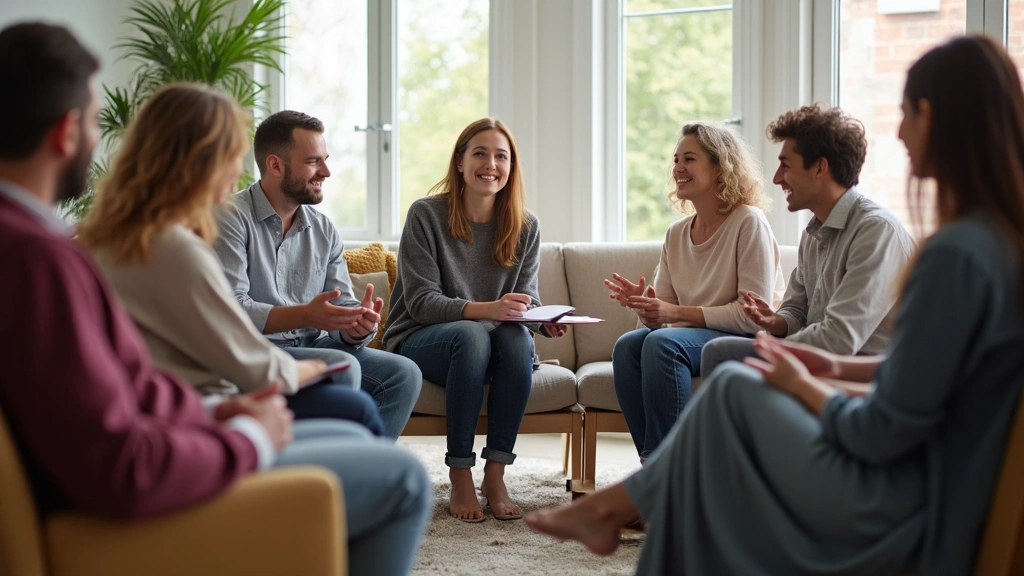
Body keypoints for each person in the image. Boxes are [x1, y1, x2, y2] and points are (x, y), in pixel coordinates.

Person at [526, 34, 1024, 576]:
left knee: (734, 390)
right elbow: (926, 376)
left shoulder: (945, 252)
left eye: (905, 114)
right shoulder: (993, 243)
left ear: (931, 116)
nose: (900, 133)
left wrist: (803, 382)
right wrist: (803, 347)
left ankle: (646, 497)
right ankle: (649, 496)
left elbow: (880, 429)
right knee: (724, 385)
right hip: (930, 475)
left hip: (903, 497)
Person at [0, 23, 430, 576]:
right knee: (402, 476)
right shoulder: (44, 259)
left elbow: (123, 386)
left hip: (171, 435)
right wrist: (247, 435)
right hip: (130, 495)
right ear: (65, 132)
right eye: (90, 121)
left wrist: (213, 413)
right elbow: (122, 465)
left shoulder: (52, 246)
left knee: (354, 410)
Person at [77, 83, 384, 436]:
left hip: (190, 404)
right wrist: (308, 370)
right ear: (203, 164)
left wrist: (354, 328)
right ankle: (318, 486)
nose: (237, 170)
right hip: (198, 418)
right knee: (363, 419)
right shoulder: (176, 247)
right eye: (232, 156)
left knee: (382, 382)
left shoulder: (104, 237)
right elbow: (241, 354)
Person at [382, 117, 566, 522]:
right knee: (471, 336)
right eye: (480, 153)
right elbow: (421, 303)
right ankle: (460, 471)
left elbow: (525, 298)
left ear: (511, 167)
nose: (491, 164)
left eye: (502, 156)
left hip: (485, 338)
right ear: (460, 162)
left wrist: (539, 319)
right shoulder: (426, 215)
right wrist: (488, 309)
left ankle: (496, 474)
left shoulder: (525, 225)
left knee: (518, 340)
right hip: (420, 338)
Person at [213, 111, 422, 439]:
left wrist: (356, 327)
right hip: (254, 348)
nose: (326, 171)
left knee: (404, 373)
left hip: (313, 343)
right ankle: (328, 471)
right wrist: (307, 315)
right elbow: (231, 310)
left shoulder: (323, 229)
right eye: (313, 162)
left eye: (325, 160)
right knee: (343, 366)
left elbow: (342, 313)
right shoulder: (230, 218)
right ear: (275, 165)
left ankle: (363, 473)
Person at [606, 122, 784, 460]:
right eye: (676, 160)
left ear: (720, 167)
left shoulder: (749, 222)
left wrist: (672, 315)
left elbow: (752, 317)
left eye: (689, 159)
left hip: (745, 340)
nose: (677, 168)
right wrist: (648, 308)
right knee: (628, 346)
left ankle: (671, 472)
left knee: (662, 344)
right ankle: (654, 469)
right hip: (691, 340)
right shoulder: (676, 234)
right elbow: (666, 315)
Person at [700, 104, 915, 377]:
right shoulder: (813, 233)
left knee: (720, 352)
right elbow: (795, 310)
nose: (777, 178)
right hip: (820, 363)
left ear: (819, 168)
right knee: (721, 351)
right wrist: (775, 322)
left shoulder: (876, 231)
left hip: (863, 375)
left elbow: (839, 340)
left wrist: (771, 347)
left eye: (786, 165)